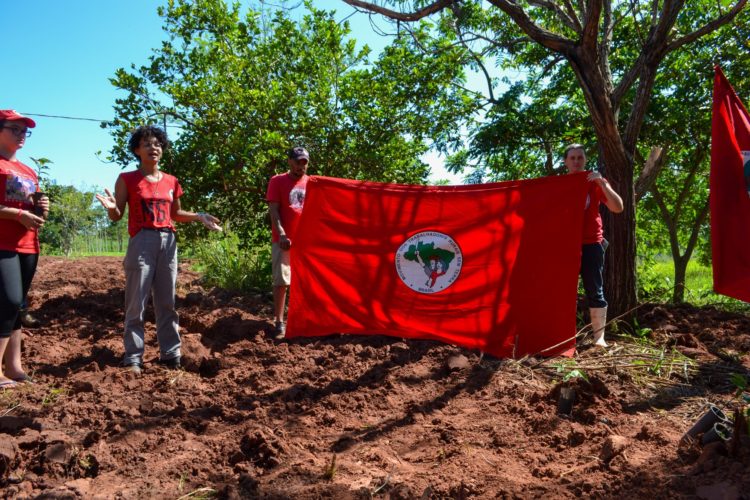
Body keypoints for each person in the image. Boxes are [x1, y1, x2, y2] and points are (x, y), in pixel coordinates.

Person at [96, 125, 221, 374]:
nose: (153, 147)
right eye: (147, 144)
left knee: (167, 302)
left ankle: (170, 353)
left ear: (162, 149)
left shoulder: (171, 181)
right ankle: (133, 356)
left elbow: (175, 213)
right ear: (137, 150)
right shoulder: (127, 179)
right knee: (136, 302)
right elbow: (117, 215)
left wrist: (198, 216)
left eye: (157, 144)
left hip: (168, 241)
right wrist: (111, 207)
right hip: (142, 240)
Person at [0, 109, 49, 388]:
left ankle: (15, 367)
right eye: (14, 129)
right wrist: (16, 215)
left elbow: (29, 208)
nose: (21, 135)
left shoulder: (27, 170)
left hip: (28, 244)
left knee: (17, 305)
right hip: (2, 242)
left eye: (24, 131)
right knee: (6, 300)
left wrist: (40, 208)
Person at [564, 144, 624, 347]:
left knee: (594, 290)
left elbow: (618, 207)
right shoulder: (559, 184)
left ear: (585, 160)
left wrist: (603, 184)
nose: (576, 161)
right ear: (565, 162)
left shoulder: (595, 182)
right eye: (572, 158)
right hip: (565, 245)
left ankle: (599, 338)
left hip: (591, 243)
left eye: (580, 157)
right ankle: (563, 337)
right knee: (563, 291)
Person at [267, 146, 310, 339]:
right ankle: (279, 322)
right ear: (290, 162)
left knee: (306, 281)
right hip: (284, 240)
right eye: (298, 162)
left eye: (304, 162)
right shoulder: (277, 181)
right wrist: (282, 233)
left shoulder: (311, 182)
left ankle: (303, 320)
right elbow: (274, 211)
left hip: (306, 241)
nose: (301, 166)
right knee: (282, 281)